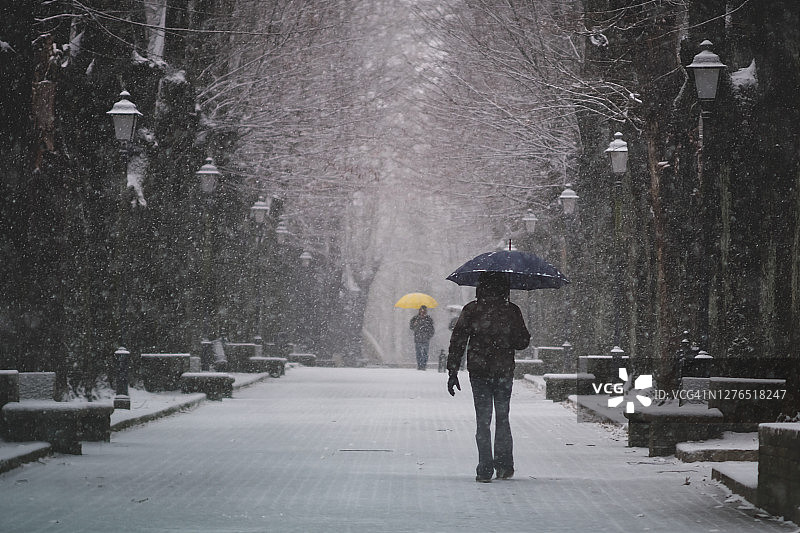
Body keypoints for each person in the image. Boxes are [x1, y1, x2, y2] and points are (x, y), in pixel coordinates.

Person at [446, 272, 531, 482]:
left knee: (482, 420)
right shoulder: (511, 311)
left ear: (480, 286)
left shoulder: (472, 310)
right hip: (503, 372)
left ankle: (484, 468)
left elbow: (458, 341)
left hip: (479, 372)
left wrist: (453, 371)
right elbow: (522, 342)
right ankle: (504, 465)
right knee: (503, 418)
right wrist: (513, 337)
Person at [409, 305, 435, 370]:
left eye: (424, 310)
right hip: (418, 338)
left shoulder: (428, 319)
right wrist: (414, 324)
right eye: (421, 310)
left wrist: (429, 336)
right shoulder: (415, 318)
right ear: (419, 311)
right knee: (418, 353)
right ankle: (419, 365)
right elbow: (411, 327)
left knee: (425, 353)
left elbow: (432, 329)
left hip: (426, 339)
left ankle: (423, 365)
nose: (422, 312)